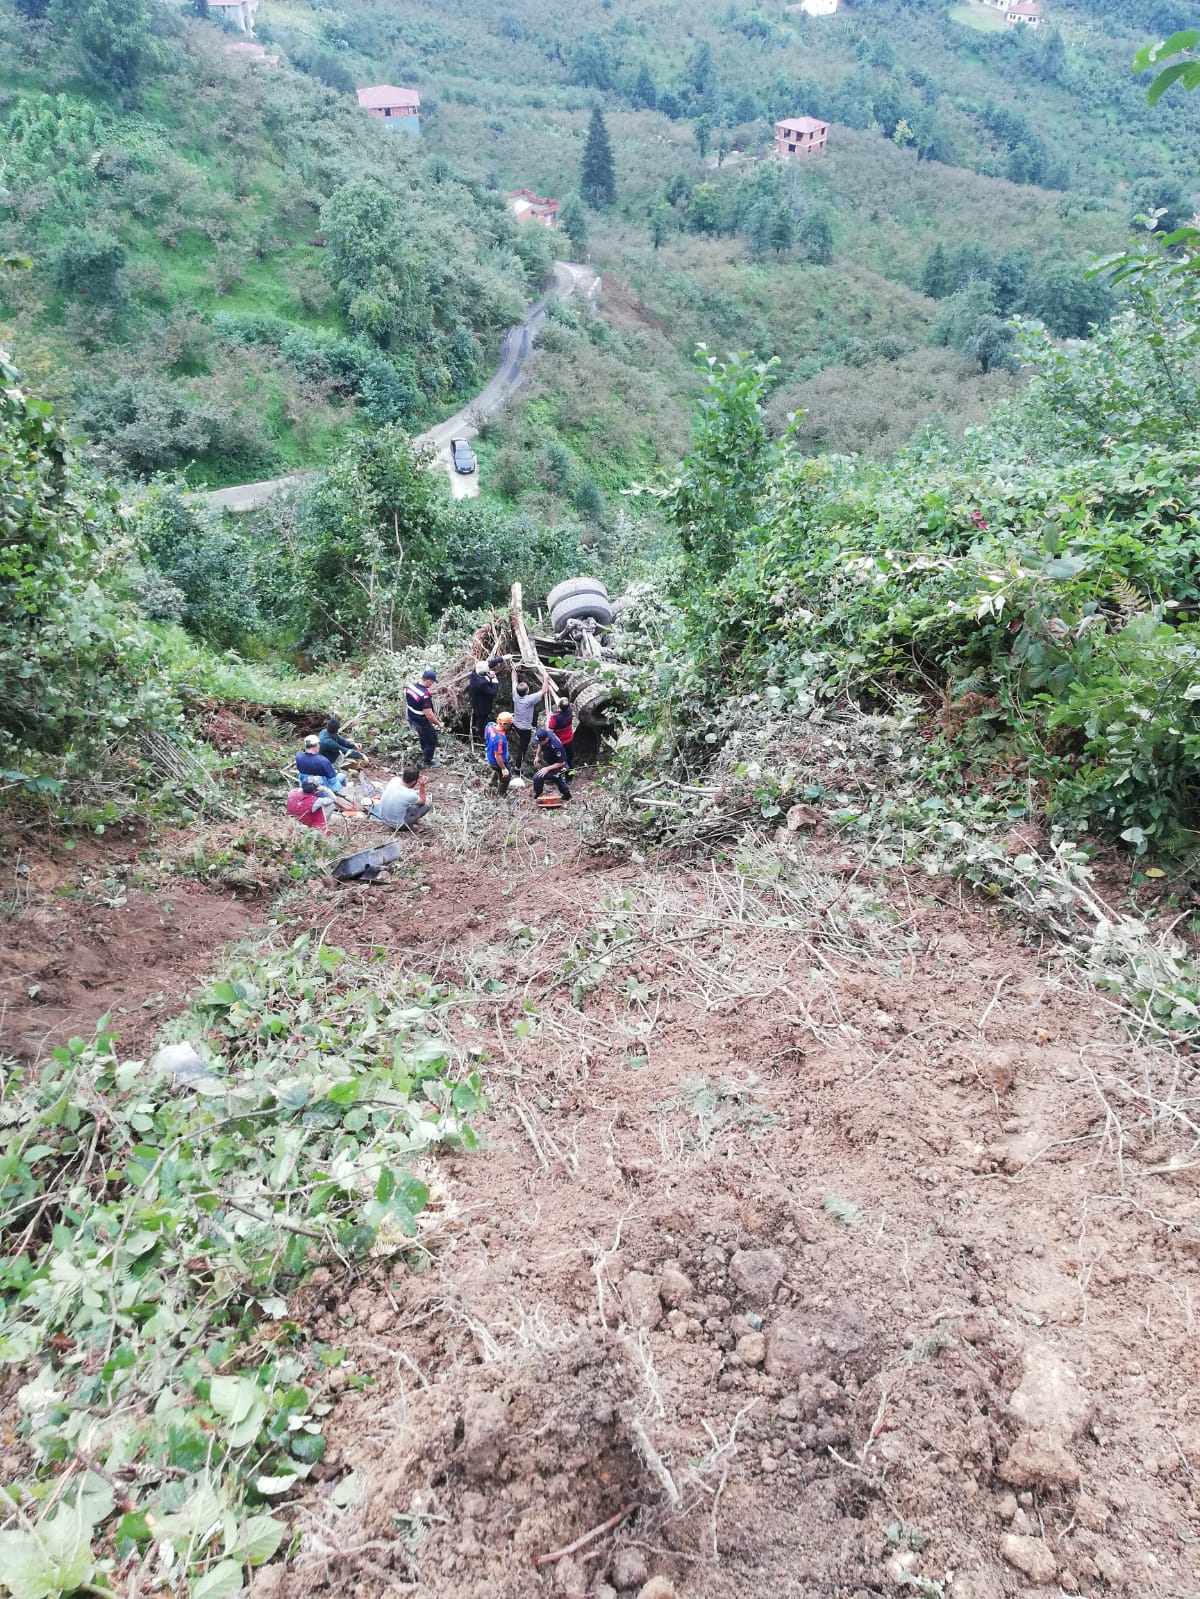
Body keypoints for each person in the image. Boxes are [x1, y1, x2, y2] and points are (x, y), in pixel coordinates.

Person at [511, 665, 550, 773]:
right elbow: (544, 690)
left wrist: (513, 668)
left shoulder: (515, 694)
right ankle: (517, 767)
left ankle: (518, 759)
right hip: (524, 728)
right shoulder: (529, 700)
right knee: (522, 747)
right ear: (527, 691)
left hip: (516, 724)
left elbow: (514, 679)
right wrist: (545, 678)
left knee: (522, 741)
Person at [405, 668, 442, 767]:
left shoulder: (411, 687)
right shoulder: (425, 696)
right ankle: (427, 762)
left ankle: (424, 752)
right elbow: (429, 715)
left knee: (423, 736)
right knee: (432, 740)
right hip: (421, 721)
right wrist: (439, 723)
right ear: (429, 681)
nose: (432, 684)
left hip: (411, 717)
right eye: (432, 682)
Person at [468, 657, 505, 746]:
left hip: (475, 701)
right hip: (482, 706)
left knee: (478, 717)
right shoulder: (481, 684)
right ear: (485, 673)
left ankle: (477, 729)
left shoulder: (475, 672)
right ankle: (480, 736)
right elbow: (493, 692)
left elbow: (488, 664)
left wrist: (502, 658)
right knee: (482, 720)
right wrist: (494, 679)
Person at [531, 726, 572, 802]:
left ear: (546, 740)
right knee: (557, 778)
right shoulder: (545, 735)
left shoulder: (556, 746)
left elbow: (562, 763)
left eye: (540, 741)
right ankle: (567, 795)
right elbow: (540, 744)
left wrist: (547, 769)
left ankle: (538, 794)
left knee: (537, 777)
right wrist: (537, 756)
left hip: (560, 765)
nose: (538, 743)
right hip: (552, 762)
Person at [485, 711, 515, 796]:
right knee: (506, 778)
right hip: (496, 761)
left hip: (490, 754)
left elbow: (486, 736)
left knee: (509, 759)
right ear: (505, 724)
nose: (510, 726)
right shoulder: (499, 739)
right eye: (509, 724)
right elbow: (497, 756)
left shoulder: (490, 725)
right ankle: (501, 794)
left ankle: (493, 782)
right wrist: (503, 768)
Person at [548, 695, 575, 773]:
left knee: (559, 760)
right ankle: (569, 777)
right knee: (570, 759)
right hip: (570, 740)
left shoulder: (554, 718)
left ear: (558, 706)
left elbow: (550, 732)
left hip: (560, 743)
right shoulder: (570, 711)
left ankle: (557, 776)